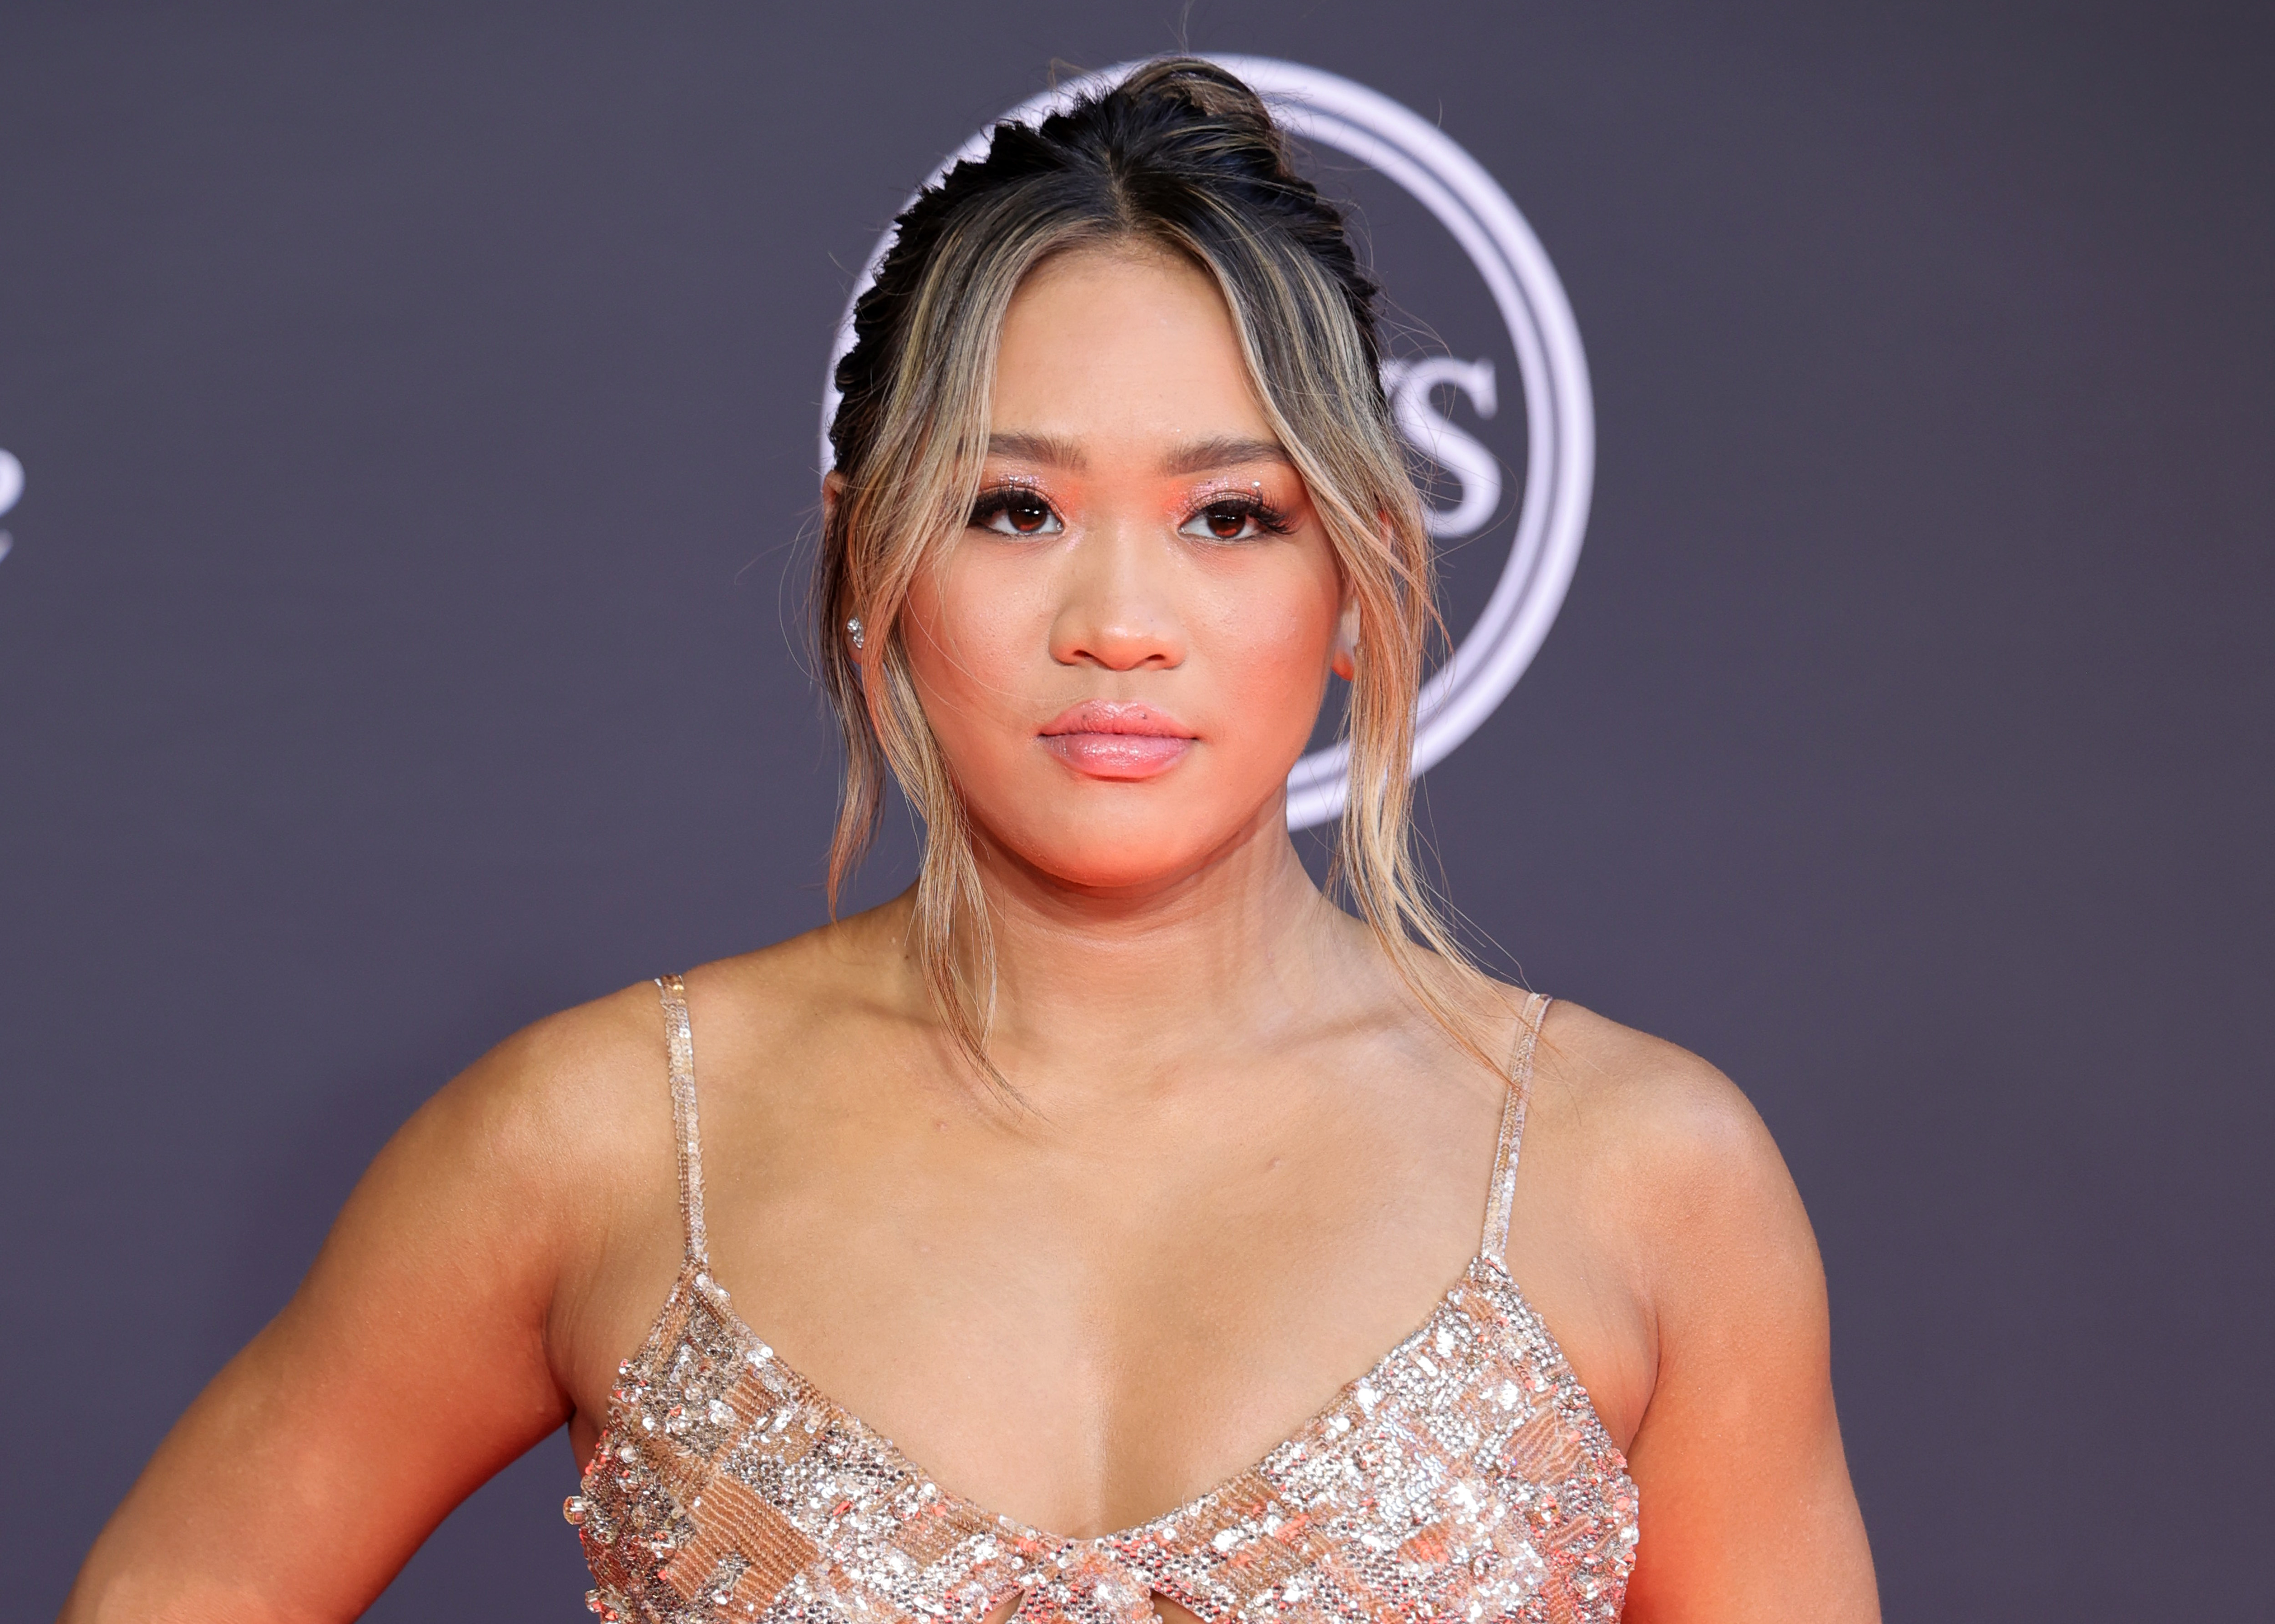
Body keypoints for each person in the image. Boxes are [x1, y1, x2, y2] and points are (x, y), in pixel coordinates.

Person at [62, 58, 1878, 1624]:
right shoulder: (601, 1131)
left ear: (1359, 575)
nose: (1117, 616)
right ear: (874, 566)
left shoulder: (1644, 1176)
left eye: (1228, 515)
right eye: (1013, 506)